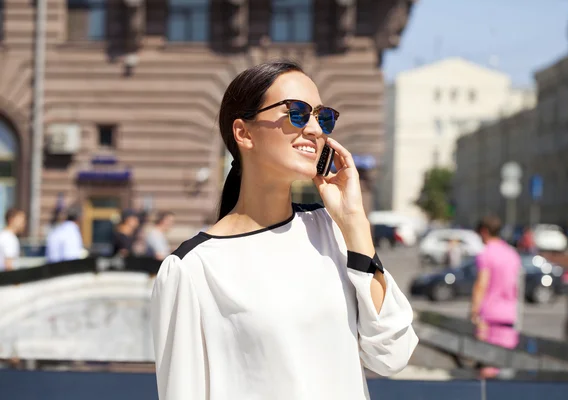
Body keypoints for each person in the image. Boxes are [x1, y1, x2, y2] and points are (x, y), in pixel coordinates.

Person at [150, 60, 418, 400]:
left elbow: (393, 355)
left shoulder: (332, 233)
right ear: (244, 133)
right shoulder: (192, 270)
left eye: (323, 117)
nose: (316, 130)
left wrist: (354, 222)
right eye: (297, 113)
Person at [471, 215, 520, 379]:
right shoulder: (512, 254)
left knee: (487, 366)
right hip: (509, 314)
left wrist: (474, 311)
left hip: (489, 316)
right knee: (505, 365)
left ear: (484, 232)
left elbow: (481, 284)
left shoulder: (486, 254)